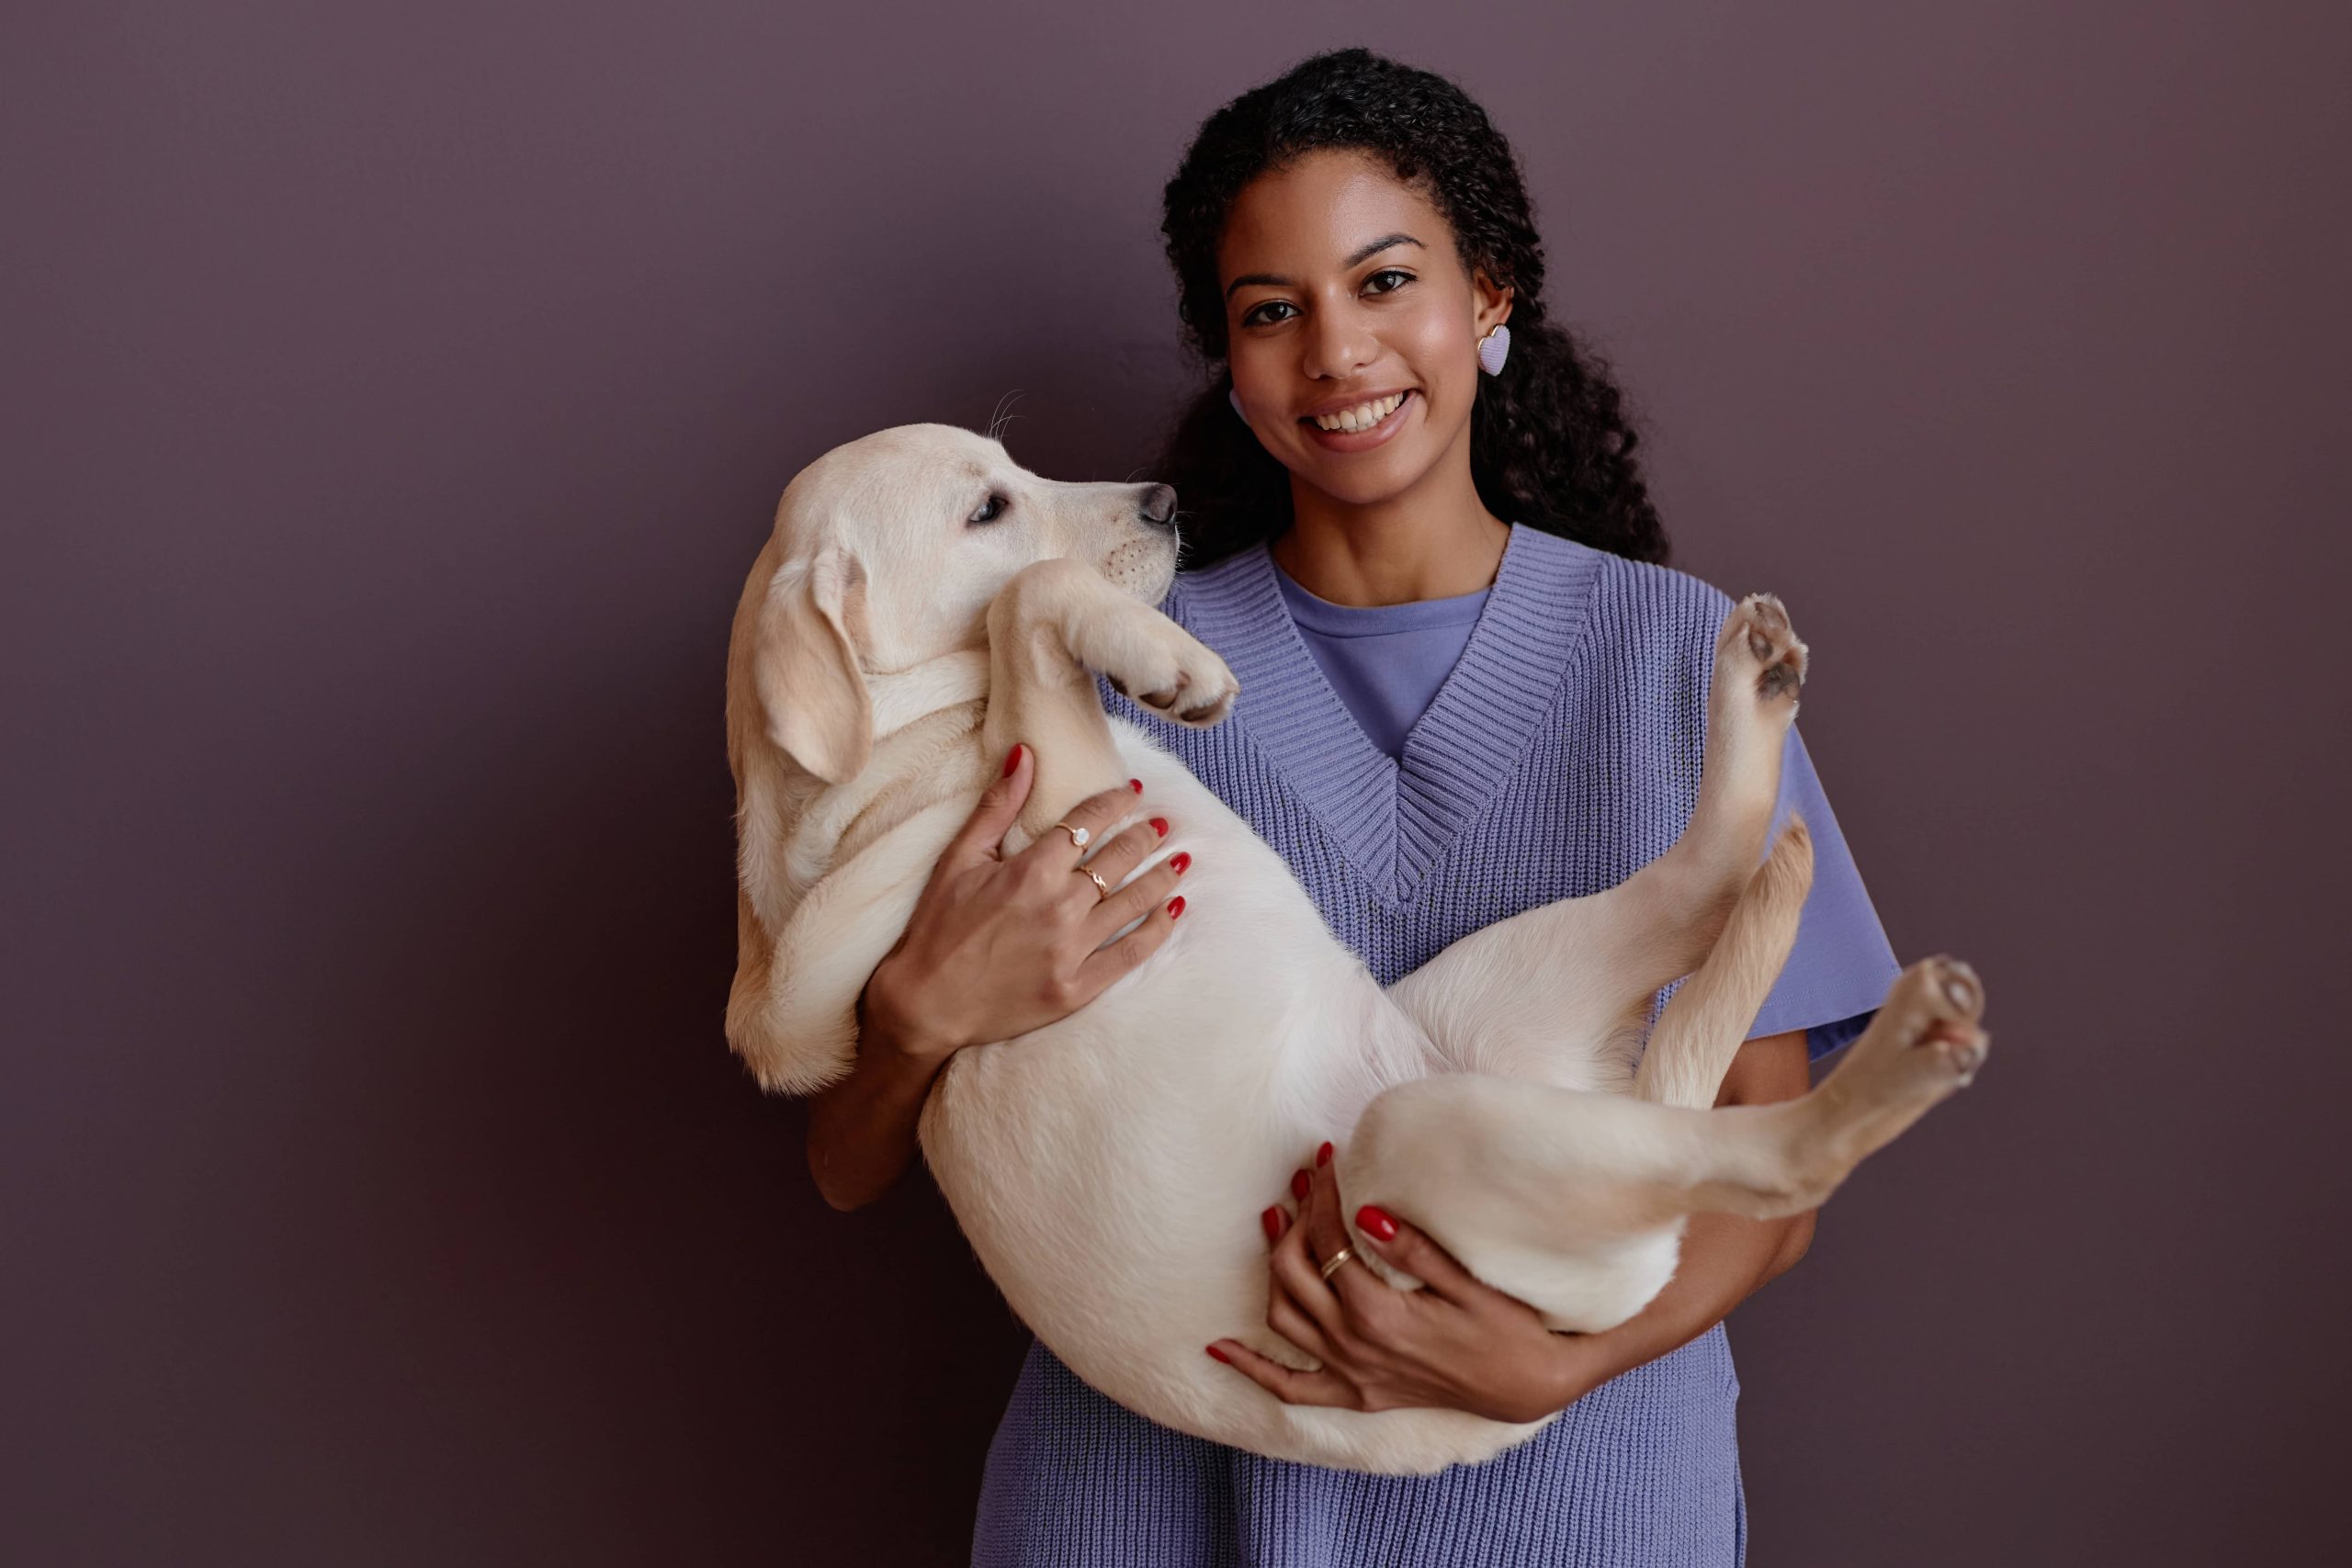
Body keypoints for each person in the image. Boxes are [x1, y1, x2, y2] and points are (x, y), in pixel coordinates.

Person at [808, 47, 1901, 1567]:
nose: (1337, 351)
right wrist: (918, 1022)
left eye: (1387, 281)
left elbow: (1770, 1176)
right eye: (1273, 312)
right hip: (1146, 1494)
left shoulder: (1682, 662)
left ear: (1491, 297)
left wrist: (1561, 1365)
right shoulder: (1100, 672)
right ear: (1232, 362)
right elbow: (850, 1160)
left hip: (1574, 1505)